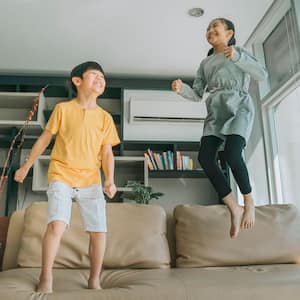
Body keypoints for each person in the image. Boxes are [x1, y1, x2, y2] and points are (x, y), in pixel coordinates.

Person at [14, 61, 120, 293]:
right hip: (61, 173)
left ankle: (94, 279)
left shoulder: (105, 118)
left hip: (91, 179)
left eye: (103, 77)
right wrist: (26, 166)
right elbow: (44, 139)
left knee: (99, 230)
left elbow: (107, 152)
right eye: (94, 75)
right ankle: (46, 277)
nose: (100, 80)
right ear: (77, 81)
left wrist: (109, 179)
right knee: (57, 224)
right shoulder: (63, 109)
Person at [171, 18, 267, 239]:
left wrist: (238, 57)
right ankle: (233, 206)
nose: (210, 30)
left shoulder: (239, 51)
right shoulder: (205, 63)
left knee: (232, 154)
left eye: (215, 27)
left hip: (239, 108)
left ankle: (249, 201)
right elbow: (196, 94)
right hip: (216, 112)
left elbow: (262, 75)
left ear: (229, 33)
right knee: (205, 158)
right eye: (207, 28)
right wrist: (181, 89)